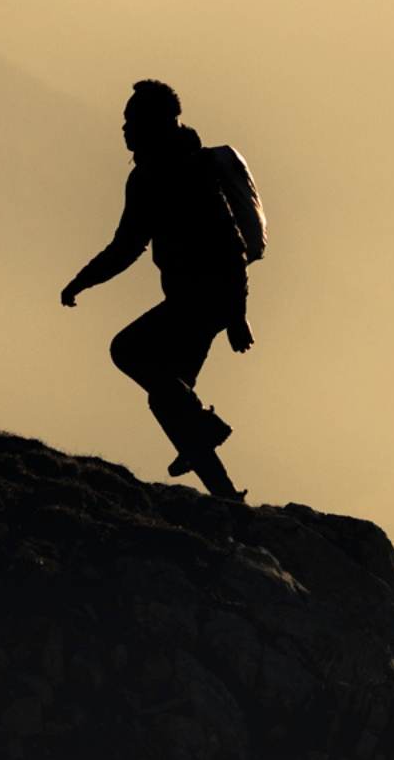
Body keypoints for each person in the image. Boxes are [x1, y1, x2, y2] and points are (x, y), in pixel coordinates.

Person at [61, 80, 257, 501]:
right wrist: (84, 280)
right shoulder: (151, 174)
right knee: (169, 398)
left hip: (204, 298)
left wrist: (236, 315)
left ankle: (208, 434)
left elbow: (230, 244)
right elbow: (128, 245)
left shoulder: (185, 170)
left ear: (157, 122)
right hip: (201, 299)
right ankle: (225, 496)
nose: (125, 129)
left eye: (132, 120)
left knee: (127, 350)